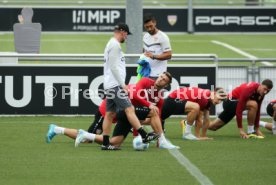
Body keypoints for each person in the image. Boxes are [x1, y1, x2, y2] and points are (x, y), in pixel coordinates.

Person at [75, 72, 179, 149]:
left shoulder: (159, 99)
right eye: (161, 76)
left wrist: (154, 130)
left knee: (115, 143)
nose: (160, 79)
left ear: (166, 85)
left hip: (128, 115)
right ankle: (163, 141)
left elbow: (157, 119)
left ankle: (85, 134)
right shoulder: (145, 81)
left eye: (164, 79)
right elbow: (134, 94)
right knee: (153, 112)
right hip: (121, 109)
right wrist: (149, 105)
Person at [102, 22, 158, 150]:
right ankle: (144, 135)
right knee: (130, 109)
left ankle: (105, 144)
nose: (126, 37)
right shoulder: (115, 45)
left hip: (110, 84)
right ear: (122, 31)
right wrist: (122, 84)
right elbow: (113, 67)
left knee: (110, 114)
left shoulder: (111, 44)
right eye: (126, 34)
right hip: (115, 85)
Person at [208, 79, 273, 139]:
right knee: (253, 104)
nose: (265, 92)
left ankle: (198, 122)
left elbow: (258, 111)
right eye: (265, 89)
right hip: (229, 102)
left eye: (268, 91)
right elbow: (239, 110)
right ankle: (250, 131)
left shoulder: (261, 94)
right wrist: (241, 130)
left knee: (212, 127)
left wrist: (257, 129)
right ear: (261, 85)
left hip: (234, 105)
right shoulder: (249, 88)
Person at [161, 87, 227, 140]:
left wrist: (204, 136)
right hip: (173, 99)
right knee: (195, 107)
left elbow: (206, 119)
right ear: (214, 93)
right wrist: (198, 136)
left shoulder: (208, 99)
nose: (219, 102)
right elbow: (199, 119)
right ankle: (187, 134)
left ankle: (185, 127)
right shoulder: (204, 98)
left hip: (174, 100)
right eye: (219, 99)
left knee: (158, 119)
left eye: (221, 100)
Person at [45, 99, 114, 143]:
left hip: (108, 112)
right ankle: (56, 129)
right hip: (104, 113)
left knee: (94, 138)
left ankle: (57, 129)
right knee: (87, 139)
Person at [143, 14, 172, 79]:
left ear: (155, 23)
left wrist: (153, 56)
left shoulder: (163, 37)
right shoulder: (145, 36)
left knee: (155, 89)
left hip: (158, 75)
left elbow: (169, 55)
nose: (149, 29)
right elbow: (145, 51)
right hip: (146, 73)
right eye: (147, 27)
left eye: (151, 26)